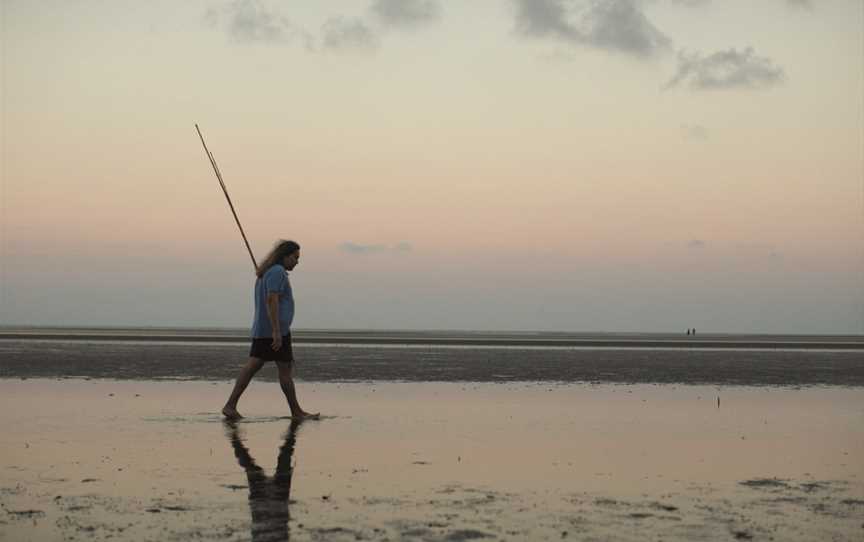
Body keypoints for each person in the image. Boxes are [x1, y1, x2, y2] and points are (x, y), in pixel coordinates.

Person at [222, 239, 318, 420]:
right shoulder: (277, 272)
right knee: (282, 370)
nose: (297, 262)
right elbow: (272, 300)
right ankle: (296, 412)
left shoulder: (267, 273)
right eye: (295, 257)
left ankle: (230, 405)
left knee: (257, 367)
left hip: (265, 330)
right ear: (286, 256)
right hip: (274, 331)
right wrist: (276, 331)